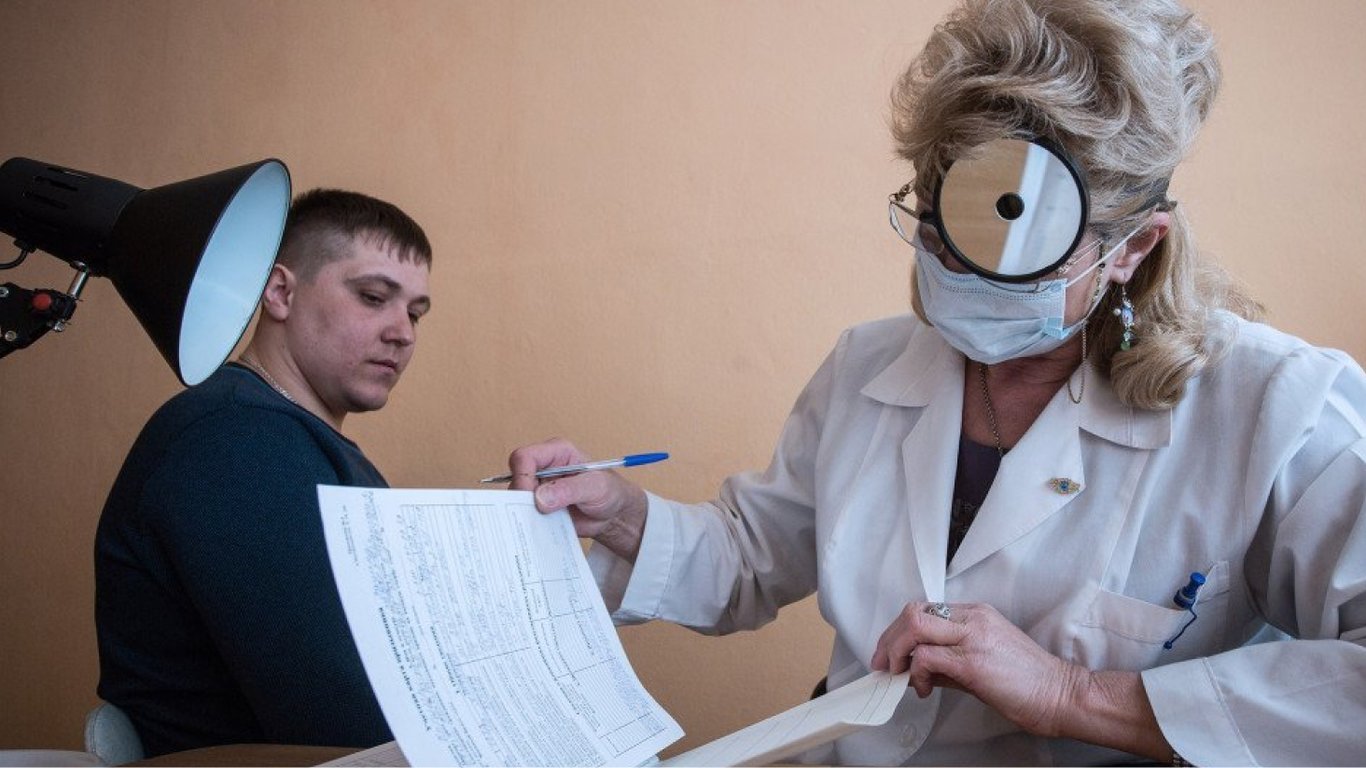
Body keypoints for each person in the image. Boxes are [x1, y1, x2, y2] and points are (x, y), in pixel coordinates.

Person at [506, 0, 1366, 765]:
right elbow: (752, 556)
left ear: (1131, 247)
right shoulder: (867, 367)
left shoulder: (1278, 409)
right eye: (940, 221)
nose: (960, 268)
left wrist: (1074, 694)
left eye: (1017, 239)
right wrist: (627, 519)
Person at [94, 188, 432, 757]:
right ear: (280, 292)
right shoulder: (231, 441)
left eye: (415, 313)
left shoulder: (297, 441)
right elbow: (345, 719)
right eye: (374, 297)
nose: (403, 332)